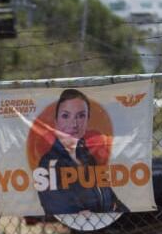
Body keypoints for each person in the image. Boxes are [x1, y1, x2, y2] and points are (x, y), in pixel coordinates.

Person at [36, 89, 127, 217]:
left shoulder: (88, 157)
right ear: (55, 122)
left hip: (104, 226)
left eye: (81, 116)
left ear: (87, 121)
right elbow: (60, 207)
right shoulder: (48, 163)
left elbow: (112, 199)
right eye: (66, 116)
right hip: (78, 231)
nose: (74, 124)